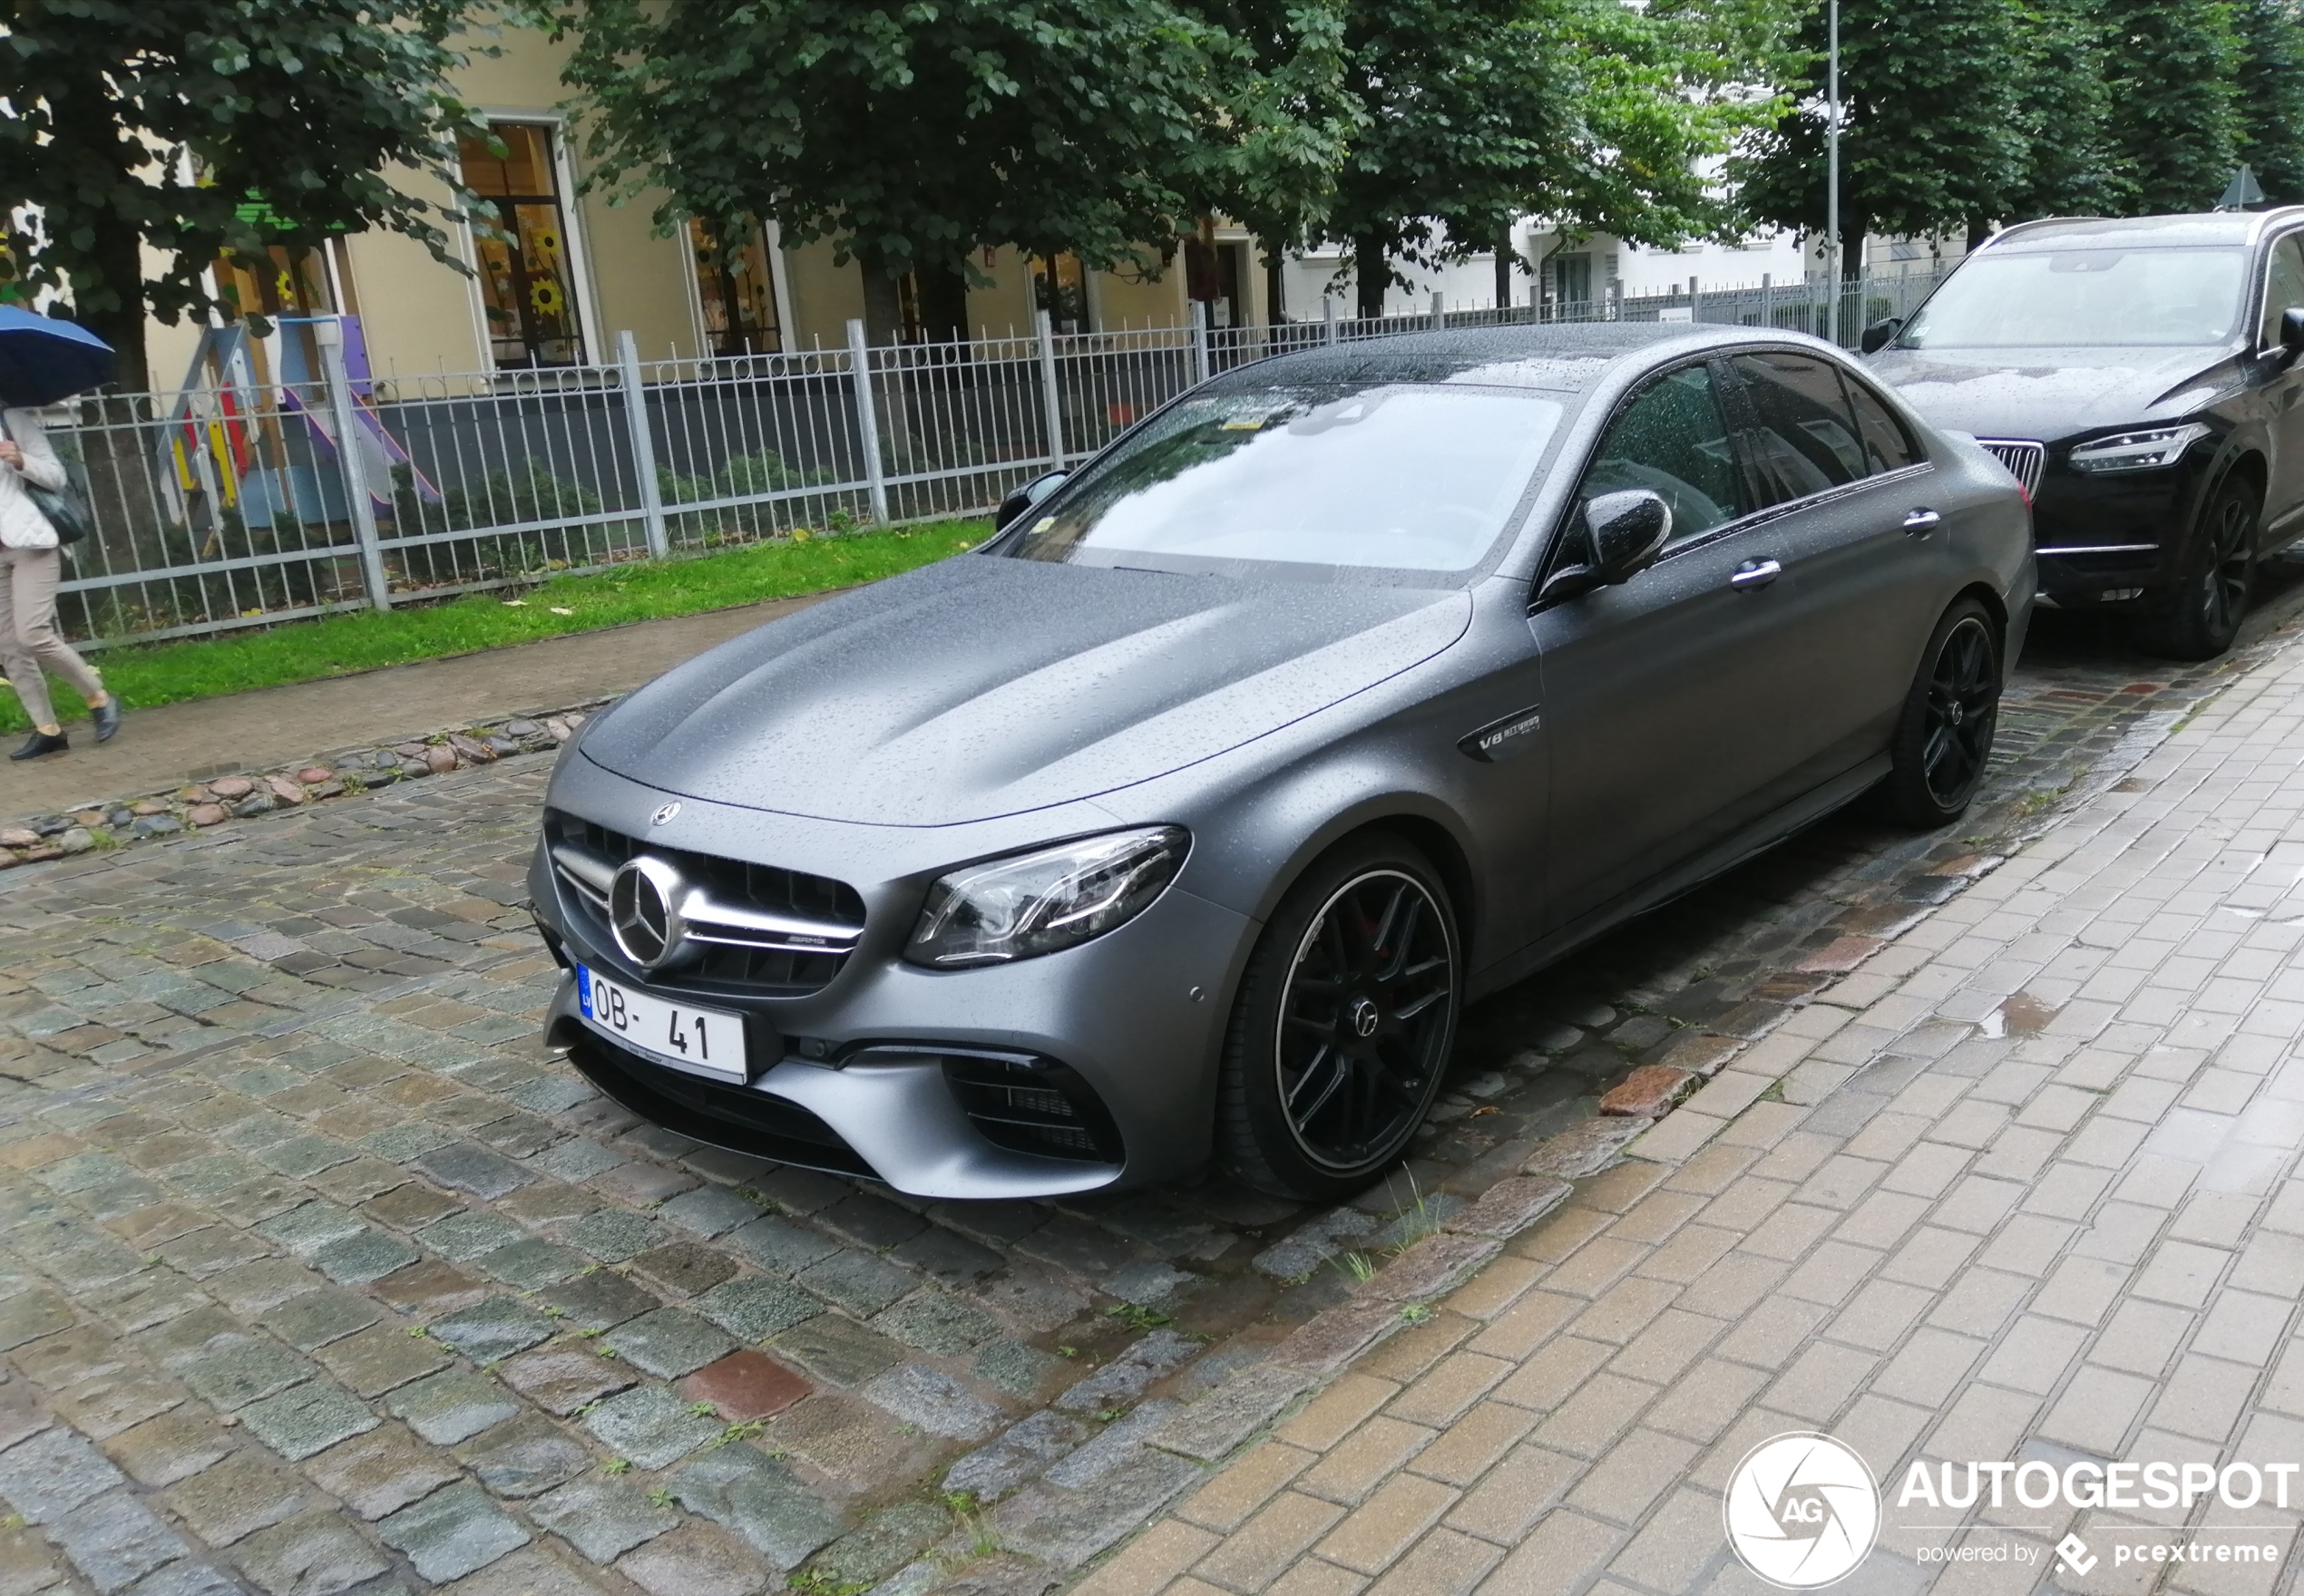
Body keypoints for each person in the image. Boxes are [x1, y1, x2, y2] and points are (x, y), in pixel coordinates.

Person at [0, 405, 117, 759]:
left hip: (31, 545)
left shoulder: (11, 422)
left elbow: (56, 476)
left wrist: (20, 459)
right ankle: (47, 729)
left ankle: (99, 698)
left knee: (33, 632)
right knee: (9, 647)